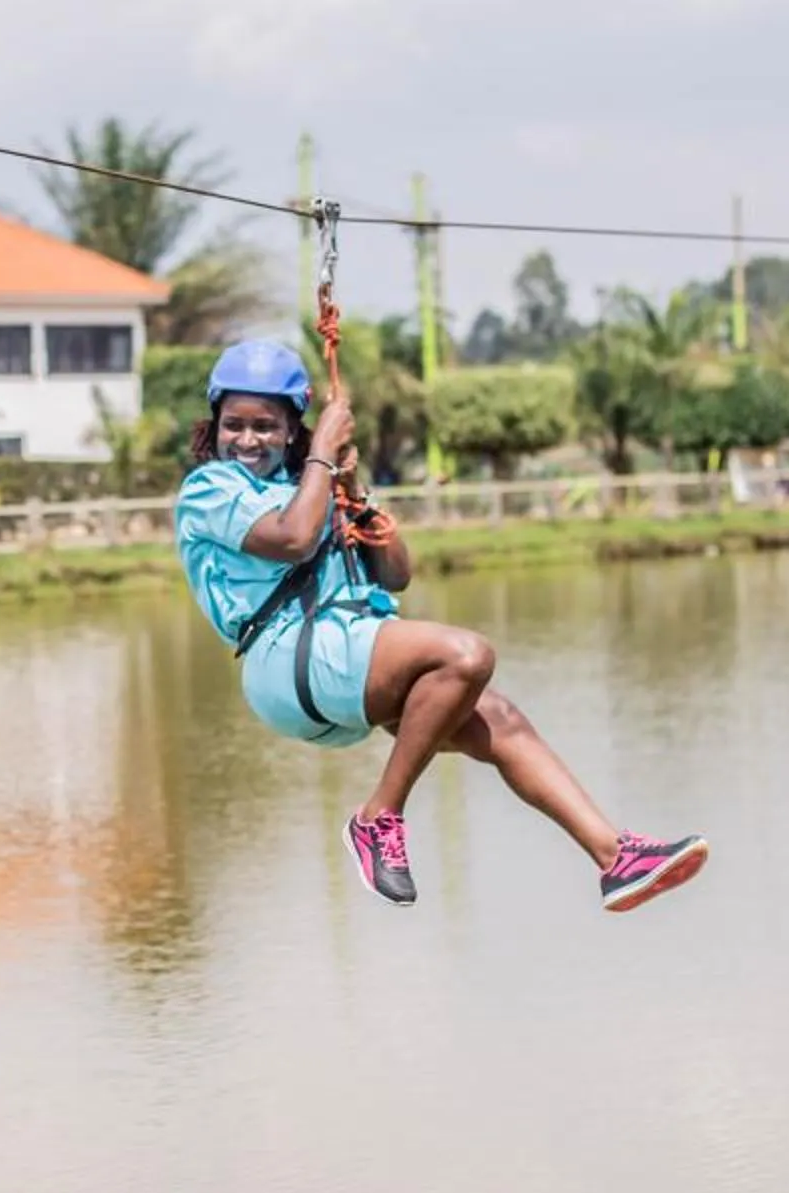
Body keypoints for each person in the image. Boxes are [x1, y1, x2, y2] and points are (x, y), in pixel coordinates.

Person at [172, 339, 710, 914]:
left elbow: (396, 573)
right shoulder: (210, 488)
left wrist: (353, 493)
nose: (248, 440)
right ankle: (379, 816)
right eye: (234, 424)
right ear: (215, 424)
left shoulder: (313, 485)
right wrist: (323, 455)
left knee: (499, 719)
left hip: (341, 659)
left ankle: (614, 857)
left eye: (265, 426)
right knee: (466, 655)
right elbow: (293, 540)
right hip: (290, 661)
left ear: (289, 428)